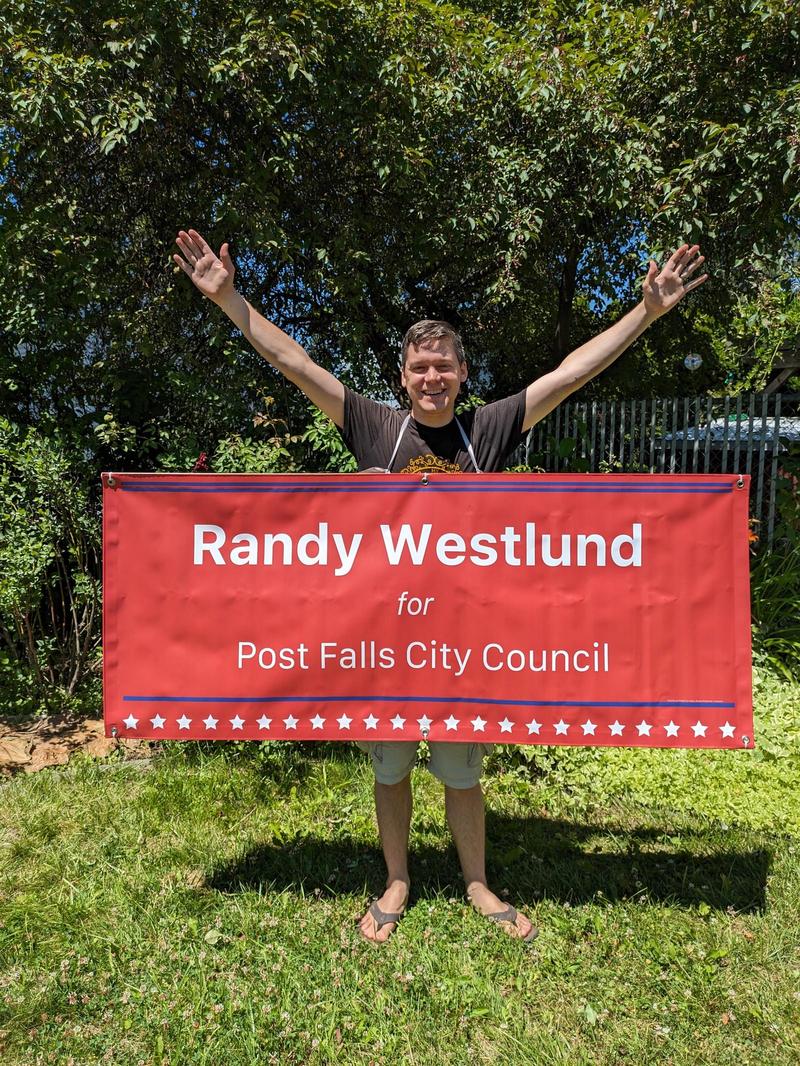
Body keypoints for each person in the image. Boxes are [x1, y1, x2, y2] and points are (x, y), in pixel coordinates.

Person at [173, 228, 707, 943]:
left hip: (465, 650)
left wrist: (644, 313)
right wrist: (229, 298)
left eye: (443, 367)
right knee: (389, 766)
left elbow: (570, 374)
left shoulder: (487, 433)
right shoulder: (375, 430)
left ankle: (479, 884)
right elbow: (293, 362)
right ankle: (396, 881)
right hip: (384, 648)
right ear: (402, 376)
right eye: (420, 367)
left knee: (462, 771)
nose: (432, 378)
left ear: (461, 374)